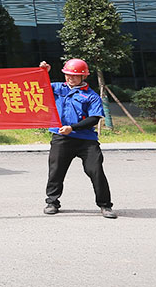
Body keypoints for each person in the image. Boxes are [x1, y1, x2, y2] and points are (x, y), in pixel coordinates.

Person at [39, 59, 115, 219]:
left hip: (86, 140)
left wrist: (72, 128)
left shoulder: (91, 96)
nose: (70, 78)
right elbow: (37, 87)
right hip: (61, 137)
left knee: (95, 170)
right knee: (56, 171)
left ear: (83, 76)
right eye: (67, 75)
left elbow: (94, 118)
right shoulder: (58, 88)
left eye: (74, 76)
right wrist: (43, 72)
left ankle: (105, 205)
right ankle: (52, 202)